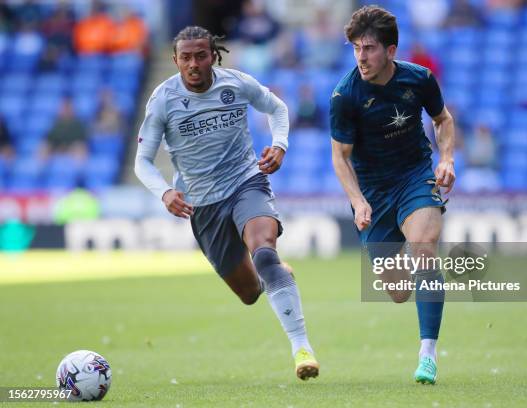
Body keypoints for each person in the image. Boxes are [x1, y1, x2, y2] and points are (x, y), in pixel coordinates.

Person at [134, 26, 319, 381]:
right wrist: (164, 191)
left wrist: (280, 144)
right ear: (175, 60)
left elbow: (277, 108)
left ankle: (301, 347)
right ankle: (276, 277)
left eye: (200, 55)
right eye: (185, 57)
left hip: (245, 182)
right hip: (202, 204)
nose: (193, 64)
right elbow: (142, 160)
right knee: (250, 293)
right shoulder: (162, 100)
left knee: (264, 251)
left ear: (213, 56)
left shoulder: (235, 83)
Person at [330, 6, 455, 385]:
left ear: (391, 50)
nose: (361, 57)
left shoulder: (419, 79)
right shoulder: (345, 95)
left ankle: (428, 353)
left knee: (424, 246)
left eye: (368, 49)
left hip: (415, 175)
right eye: (356, 49)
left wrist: (446, 158)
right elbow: (340, 156)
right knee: (399, 292)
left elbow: (443, 120)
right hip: (373, 192)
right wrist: (357, 201)